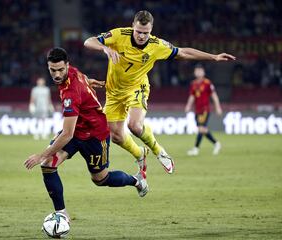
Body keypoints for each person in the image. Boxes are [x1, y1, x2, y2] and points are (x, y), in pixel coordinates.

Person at [84, 10, 235, 174]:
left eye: (146, 33)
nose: (142, 36)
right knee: (116, 137)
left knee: (134, 126)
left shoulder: (157, 46)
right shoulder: (118, 35)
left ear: (151, 30)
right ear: (133, 26)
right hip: (113, 92)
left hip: (137, 88)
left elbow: (183, 52)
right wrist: (104, 48)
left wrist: (213, 57)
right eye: (139, 32)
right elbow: (88, 41)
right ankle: (140, 154)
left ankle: (158, 151)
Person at [24, 47, 148, 221]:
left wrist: (40, 155)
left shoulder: (70, 94)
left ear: (67, 65)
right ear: (48, 67)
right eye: (53, 70)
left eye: (60, 70)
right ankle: (61, 213)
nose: (57, 74)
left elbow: (66, 134)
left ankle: (136, 180)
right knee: (48, 164)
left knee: (100, 179)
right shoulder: (73, 72)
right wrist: (88, 82)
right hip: (77, 130)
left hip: (96, 136)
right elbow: (70, 130)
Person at [185, 65, 222, 156]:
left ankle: (196, 149)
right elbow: (192, 96)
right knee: (202, 129)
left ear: (203, 72)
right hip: (197, 110)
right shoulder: (193, 84)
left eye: (200, 71)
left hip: (205, 109)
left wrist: (218, 107)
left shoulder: (207, 83)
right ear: (194, 73)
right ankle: (216, 144)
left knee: (201, 129)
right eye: (196, 71)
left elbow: (214, 96)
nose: (198, 72)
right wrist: (188, 105)